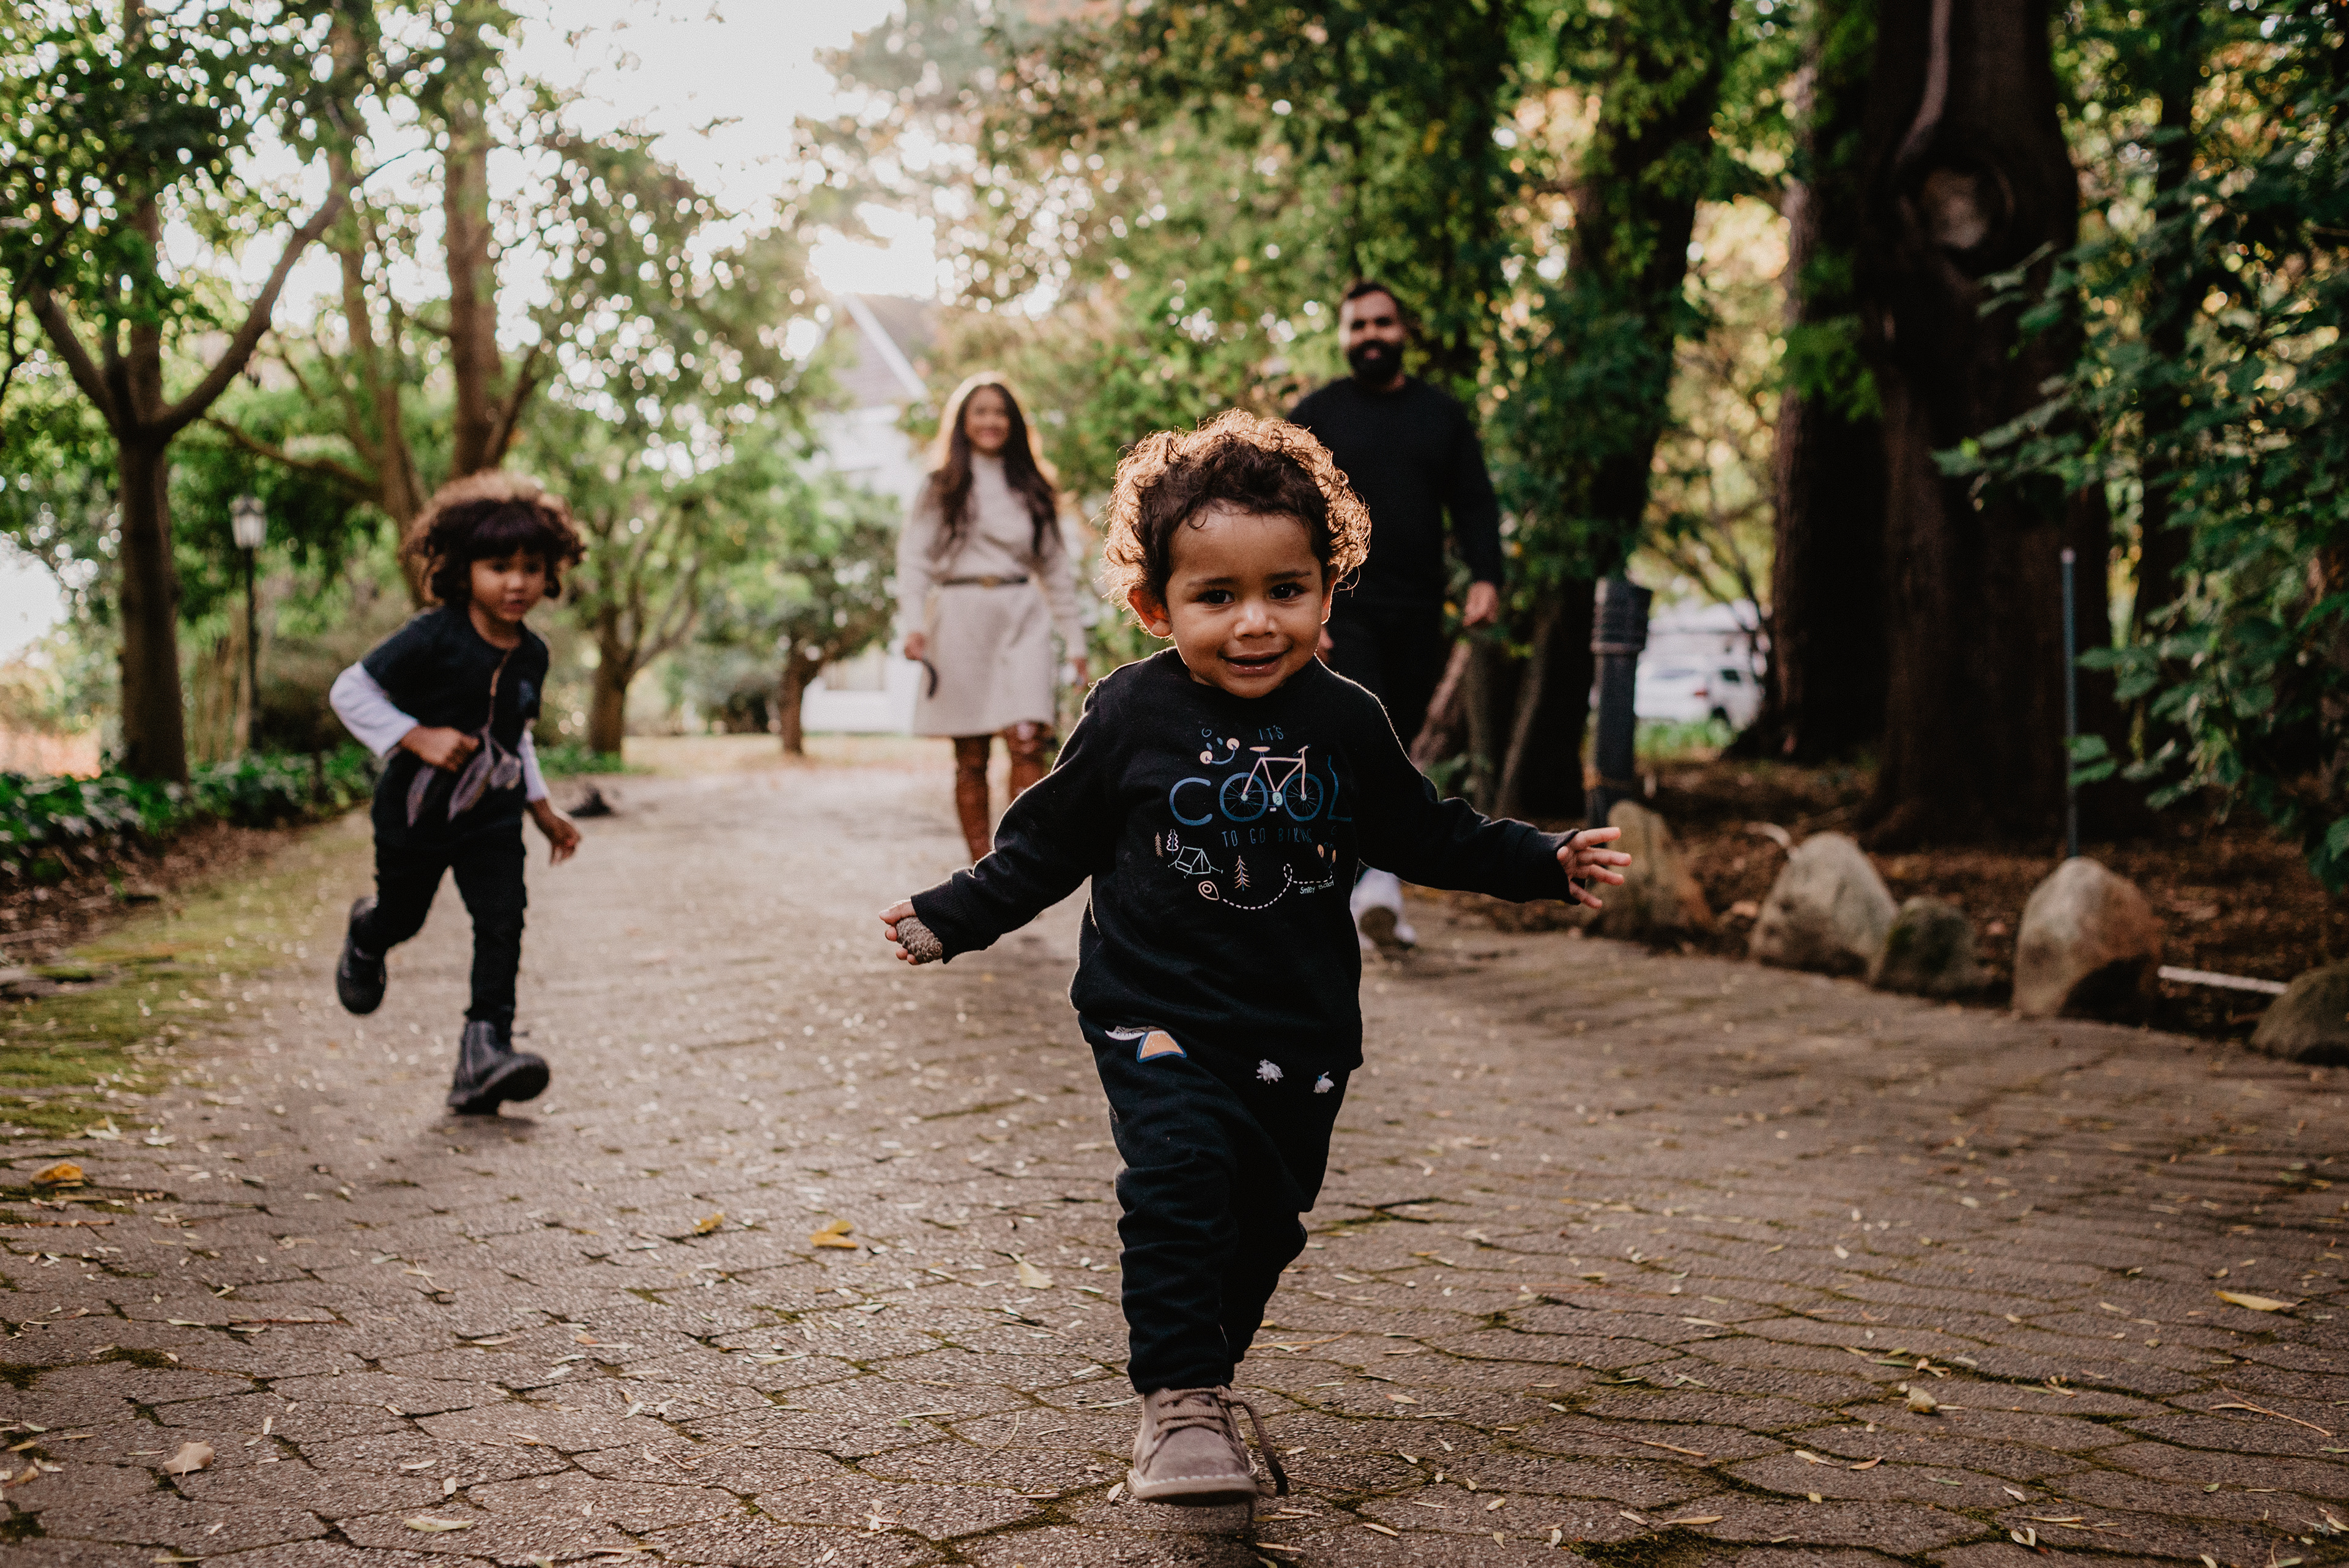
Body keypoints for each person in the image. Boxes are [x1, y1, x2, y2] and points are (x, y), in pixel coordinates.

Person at [874, 412, 1630, 1507]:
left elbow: (1427, 832)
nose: (1255, 622)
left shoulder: (1347, 720)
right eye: (1216, 596)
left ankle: (1206, 1374)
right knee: (1179, 1179)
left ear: (1327, 590)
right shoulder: (1130, 712)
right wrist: (954, 914)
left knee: (1266, 1223)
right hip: (1154, 1011)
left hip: (1300, 1030)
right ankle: (1177, 1400)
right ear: (1157, 606)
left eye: (1285, 589)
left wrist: (1542, 860)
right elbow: (1046, 843)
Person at [328, 472, 585, 1116]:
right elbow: (350, 692)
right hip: (416, 812)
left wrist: (543, 810)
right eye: (499, 567)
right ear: (465, 568)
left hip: (492, 817)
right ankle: (368, 934)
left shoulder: (533, 654)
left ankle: (484, 1052)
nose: (516, 583)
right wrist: (417, 736)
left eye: (531, 568)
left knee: (503, 918)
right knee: (405, 916)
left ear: (550, 573)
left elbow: (515, 738)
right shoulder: (432, 635)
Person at [1288, 280, 1504, 951]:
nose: (1371, 336)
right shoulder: (1315, 415)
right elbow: (1287, 514)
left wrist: (1487, 576)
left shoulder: (1440, 415)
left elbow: (1473, 501)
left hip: (1419, 608)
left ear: (1403, 330)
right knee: (1366, 735)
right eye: (1358, 326)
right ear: (1343, 336)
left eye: (1381, 323)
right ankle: (1374, 884)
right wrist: (1302, 609)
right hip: (1342, 606)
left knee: (1399, 742)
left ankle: (1359, 888)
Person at [896, 372, 1088, 862]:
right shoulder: (941, 486)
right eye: (980, 411)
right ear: (963, 422)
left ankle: (1020, 864)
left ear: (1013, 422)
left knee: (1028, 741)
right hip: (960, 618)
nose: (991, 420)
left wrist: (1076, 642)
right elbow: (914, 559)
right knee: (971, 755)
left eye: (1000, 412)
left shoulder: (1034, 487)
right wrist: (913, 624)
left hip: (1023, 615)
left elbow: (1056, 570)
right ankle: (983, 870)